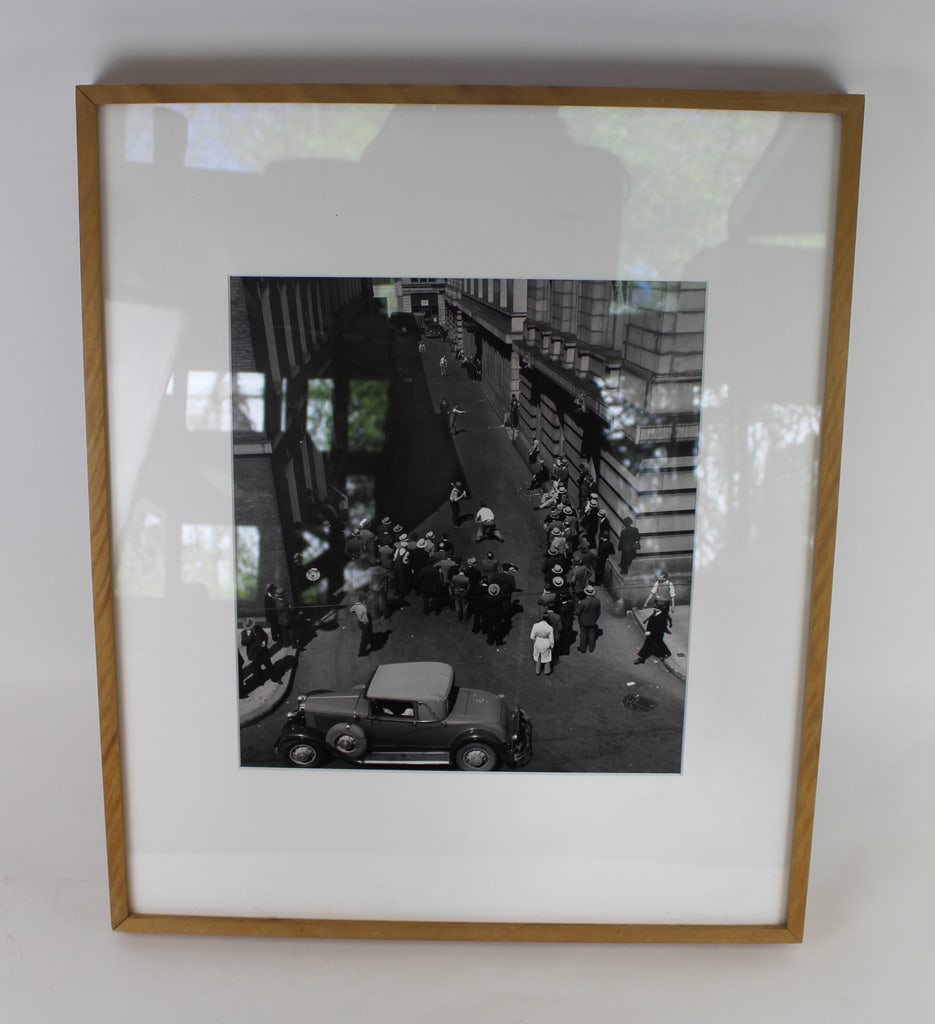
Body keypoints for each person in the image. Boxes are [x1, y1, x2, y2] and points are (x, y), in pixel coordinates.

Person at [576, 584, 602, 653]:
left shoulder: (583, 602)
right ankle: (591, 648)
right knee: (592, 634)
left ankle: (583, 648)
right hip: (593, 621)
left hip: (583, 621)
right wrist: (595, 619)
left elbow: (577, 612)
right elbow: (599, 612)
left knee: (583, 635)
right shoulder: (597, 601)